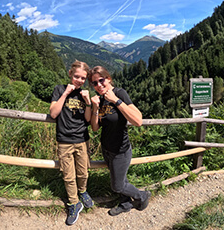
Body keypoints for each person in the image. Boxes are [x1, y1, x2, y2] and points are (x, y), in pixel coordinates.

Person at [88, 66, 151, 216]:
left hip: (120, 150)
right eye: (94, 83)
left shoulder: (119, 93)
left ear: (108, 79)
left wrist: (116, 101)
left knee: (117, 186)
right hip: (107, 149)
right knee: (120, 179)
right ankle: (125, 203)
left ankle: (142, 196)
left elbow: (138, 120)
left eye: (101, 80)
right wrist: (95, 108)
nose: (99, 85)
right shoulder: (100, 100)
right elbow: (95, 128)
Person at [49, 60, 95, 226]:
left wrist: (88, 102)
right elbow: (54, 113)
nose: (79, 80)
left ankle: (83, 191)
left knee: (83, 172)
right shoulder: (60, 89)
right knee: (68, 176)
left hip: (82, 139)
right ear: (70, 74)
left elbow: (88, 119)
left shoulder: (84, 94)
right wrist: (65, 94)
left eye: (83, 78)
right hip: (65, 141)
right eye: (77, 76)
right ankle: (74, 203)